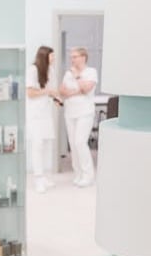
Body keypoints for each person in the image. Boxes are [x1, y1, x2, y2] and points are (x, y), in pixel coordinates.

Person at [59, 46, 98, 187]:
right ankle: (78, 174)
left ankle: (88, 176)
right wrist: (78, 90)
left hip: (85, 112)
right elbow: (62, 91)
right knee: (73, 145)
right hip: (70, 112)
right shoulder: (68, 73)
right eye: (71, 57)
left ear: (83, 57)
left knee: (80, 142)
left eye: (75, 56)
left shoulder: (91, 72)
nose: (72, 59)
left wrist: (76, 77)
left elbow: (87, 89)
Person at [26, 46, 59, 194]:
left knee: (45, 144)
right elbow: (31, 93)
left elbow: (53, 91)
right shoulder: (32, 70)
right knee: (37, 145)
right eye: (51, 57)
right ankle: (38, 178)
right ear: (44, 57)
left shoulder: (51, 71)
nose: (53, 59)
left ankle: (44, 176)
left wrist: (57, 99)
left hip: (46, 113)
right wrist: (48, 92)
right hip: (35, 114)